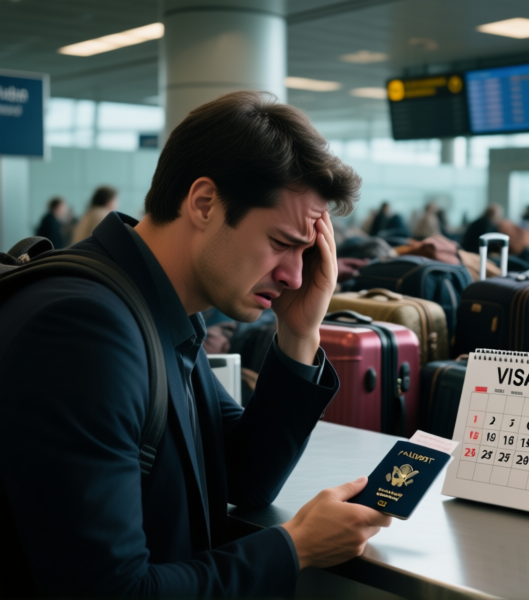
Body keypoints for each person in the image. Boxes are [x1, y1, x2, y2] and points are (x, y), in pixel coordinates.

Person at [0, 91, 391, 597]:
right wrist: (296, 548)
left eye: (305, 252)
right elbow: (112, 592)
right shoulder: (88, 330)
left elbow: (243, 476)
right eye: (281, 243)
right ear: (204, 203)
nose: (296, 276)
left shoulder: (153, 311)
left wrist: (299, 333)